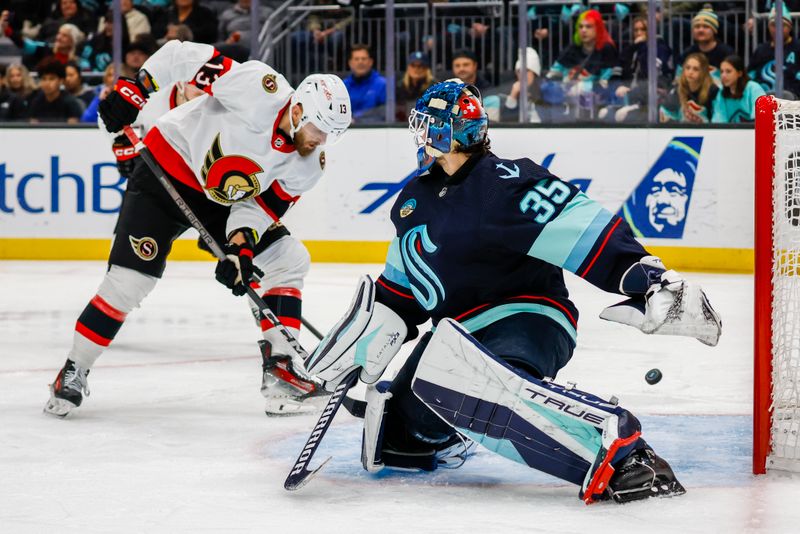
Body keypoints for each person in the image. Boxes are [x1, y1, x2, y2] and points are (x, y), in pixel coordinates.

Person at [304, 79, 721, 504]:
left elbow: (581, 228)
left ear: (448, 132)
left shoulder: (503, 181)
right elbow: (400, 291)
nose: (421, 132)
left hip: (528, 318)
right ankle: (460, 426)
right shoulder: (413, 199)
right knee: (397, 434)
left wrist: (648, 280)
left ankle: (624, 451)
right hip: (457, 336)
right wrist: (365, 343)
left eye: (428, 123)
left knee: (465, 378)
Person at [44, 39, 352, 418]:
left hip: (220, 203)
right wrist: (138, 89)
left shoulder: (310, 164)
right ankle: (73, 370)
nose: (323, 141)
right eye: (321, 130)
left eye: (332, 135)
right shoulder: (259, 87)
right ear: (299, 108)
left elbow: (256, 207)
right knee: (129, 283)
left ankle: (282, 373)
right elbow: (179, 55)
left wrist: (241, 247)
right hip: (165, 172)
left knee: (288, 261)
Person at [543, 9, 617, 121]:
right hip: (566, 90)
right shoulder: (573, 48)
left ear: (598, 28)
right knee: (547, 88)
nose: (583, 30)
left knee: (580, 89)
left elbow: (606, 80)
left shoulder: (606, 48)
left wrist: (584, 86)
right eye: (581, 26)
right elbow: (555, 71)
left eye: (588, 27)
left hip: (594, 94)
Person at [601, 15, 673, 124]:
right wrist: (619, 86)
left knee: (622, 115)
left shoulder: (659, 48)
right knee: (604, 114)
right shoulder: (629, 50)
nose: (639, 33)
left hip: (647, 100)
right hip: (625, 98)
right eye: (636, 30)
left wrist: (643, 46)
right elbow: (615, 73)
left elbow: (651, 75)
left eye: (643, 29)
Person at [1, 11, 85, 70]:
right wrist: (7, 30)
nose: (58, 37)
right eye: (59, 34)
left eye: (64, 35)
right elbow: (23, 43)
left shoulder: (78, 60)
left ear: (72, 41)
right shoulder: (46, 48)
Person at [748, 7, 800, 98]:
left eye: (782, 25)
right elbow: (750, 76)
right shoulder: (761, 50)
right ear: (768, 27)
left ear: (790, 27)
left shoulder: (797, 47)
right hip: (763, 99)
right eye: (773, 25)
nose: (777, 29)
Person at [676, 4, 734, 82]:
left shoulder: (727, 53)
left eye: (706, 27)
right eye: (697, 27)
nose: (701, 30)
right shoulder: (687, 53)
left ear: (714, 30)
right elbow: (678, 80)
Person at [660, 53, 718, 124]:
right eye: (687, 68)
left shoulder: (713, 91)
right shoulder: (677, 89)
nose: (690, 72)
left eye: (695, 69)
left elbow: (718, 118)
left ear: (704, 72)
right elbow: (665, 114)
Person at [27, 58, 83, 123]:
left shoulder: (70, 103)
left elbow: (74, 128)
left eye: (51, 79)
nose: (47, 83)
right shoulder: (36, 102)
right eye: (44, 79)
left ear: (61, 81)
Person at [712, 55, 765, 123]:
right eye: (722, 72)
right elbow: (719, 121)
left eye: (728, 71)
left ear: (739, 73)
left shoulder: (753, 88)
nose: (723, 75)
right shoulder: (721, 92)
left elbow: (761, 118)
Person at [343, 44, 386, 122]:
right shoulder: (343, 86)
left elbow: (385, 110)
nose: (360, 62)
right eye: (356, 59)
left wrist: (356, 118)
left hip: (375, 130)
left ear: (370, 62)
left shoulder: (382, 84)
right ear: (350, 63)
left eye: (364, 59)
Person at [395, 51, 435, 122]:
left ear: (426, 69)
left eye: (420, 66)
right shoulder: (400, 86)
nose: (416, 69)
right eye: (413, 65)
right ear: (408, 67)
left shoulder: (435, 87)